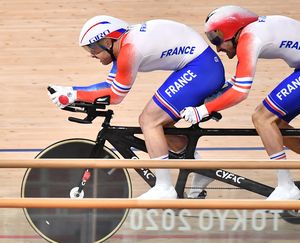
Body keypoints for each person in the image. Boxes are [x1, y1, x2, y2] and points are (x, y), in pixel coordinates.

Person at [48, 15, 226, 199]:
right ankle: (201, 167)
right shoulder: (123, 44)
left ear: (108, 41)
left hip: (201, 69)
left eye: (93, 48)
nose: (91, 54)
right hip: (200, 66)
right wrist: (73, 94)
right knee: (158, 126)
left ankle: (164, 188)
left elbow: (115, 95)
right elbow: (108, 85)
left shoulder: (129, 50)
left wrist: (73, 93)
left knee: (149, 121)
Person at [181, 6, 300, 200]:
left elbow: (240, 92)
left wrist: (203, 110)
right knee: (275, 125)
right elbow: (237, 80)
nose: (217, 47)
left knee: (262, 118)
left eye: (217, 38)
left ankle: (286, 186)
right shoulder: (250, 32)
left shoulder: (249, 38)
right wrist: (217, 96)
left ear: (232, 30)